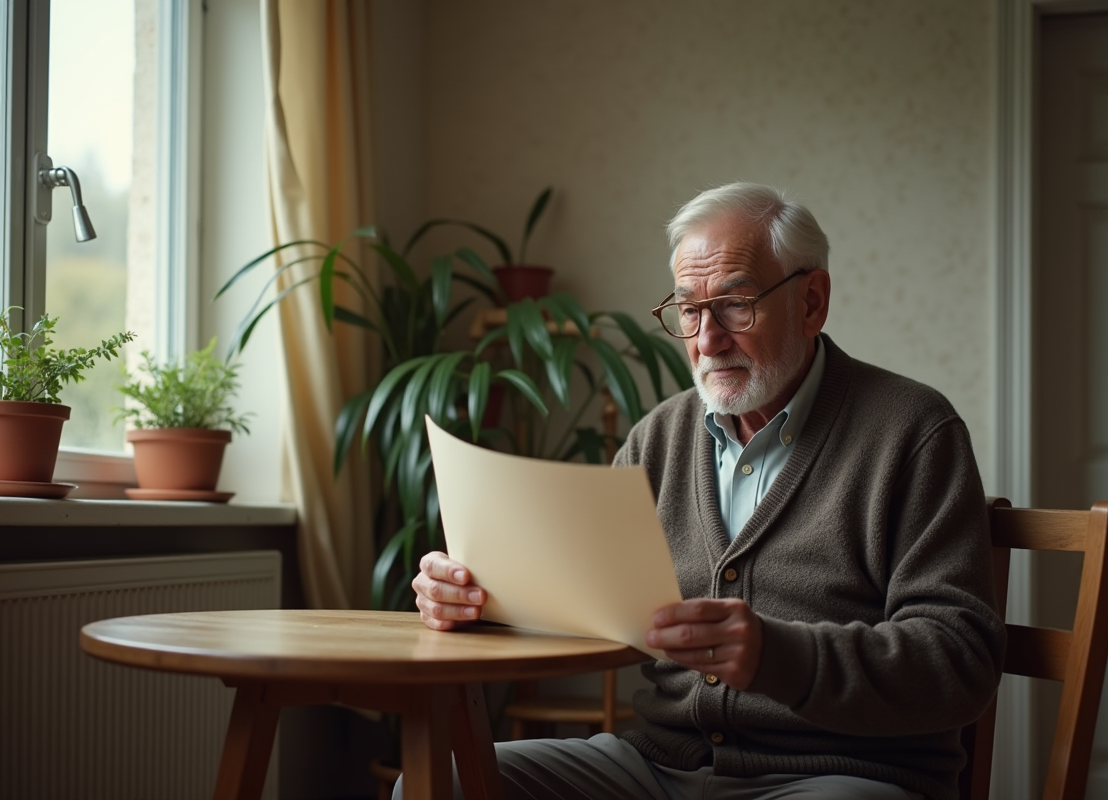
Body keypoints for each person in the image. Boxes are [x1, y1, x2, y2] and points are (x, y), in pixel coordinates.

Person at [404, 182, 1005, 800]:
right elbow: (578, 611)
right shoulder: (656, 439)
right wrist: (475, 602)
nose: (708, 338)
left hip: (842, 775)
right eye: (689, 310)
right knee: (435, 784)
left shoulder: (913, 431)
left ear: (812, 302)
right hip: (659, 767)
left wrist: (779, 655)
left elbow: (961, 659)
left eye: (735, 305)